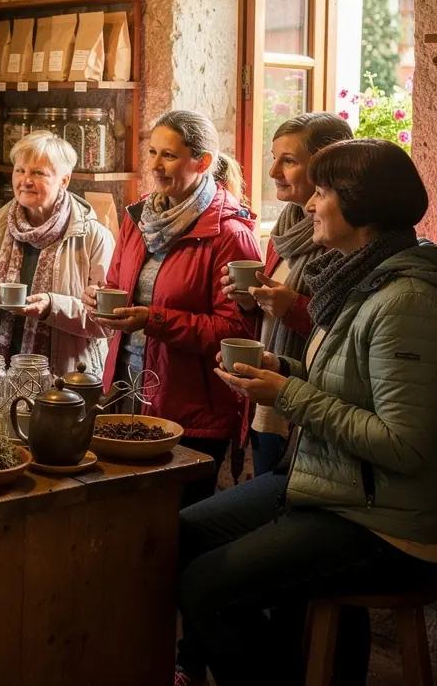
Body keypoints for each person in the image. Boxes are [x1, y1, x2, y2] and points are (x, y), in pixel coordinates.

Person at [174, 139, 437, 686]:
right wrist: (281, 370)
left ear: (360, 206)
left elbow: (405, 443)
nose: (309, 205)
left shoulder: (404, 300)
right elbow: (349, 389)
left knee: (206, 588)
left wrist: (287, 396)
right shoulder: (359, 280)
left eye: (321, 192)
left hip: (384, 520)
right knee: (183, 534)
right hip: (335, 484)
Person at [82, 110, 261, 503]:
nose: (155, 165)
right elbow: (117, 284)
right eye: (152, 152)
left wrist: (154, 320)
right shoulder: (138, 218)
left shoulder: (229, 233)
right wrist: (102, 298)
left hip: (192, 409)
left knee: (175, 523)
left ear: (203, 162)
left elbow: (237, 332)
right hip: (128, 389)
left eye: (169, 155)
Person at [220, 112, 352, 475]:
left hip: (310, 407)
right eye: (273, 157)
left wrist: (292, 308)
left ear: (327, 164)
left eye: (288, 161)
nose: (273, 171)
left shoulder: (345, 240)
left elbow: (348, 337)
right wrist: (250, 302)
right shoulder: (286, 228)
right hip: (270, 402)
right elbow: (267, 318)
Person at [0, 130, 115, 375]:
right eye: (20, 170)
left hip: (69, 378)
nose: (25, 180)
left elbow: (108, 322)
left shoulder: (94, 236)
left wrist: (53, 307)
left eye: (38, 173)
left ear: (64, 180)